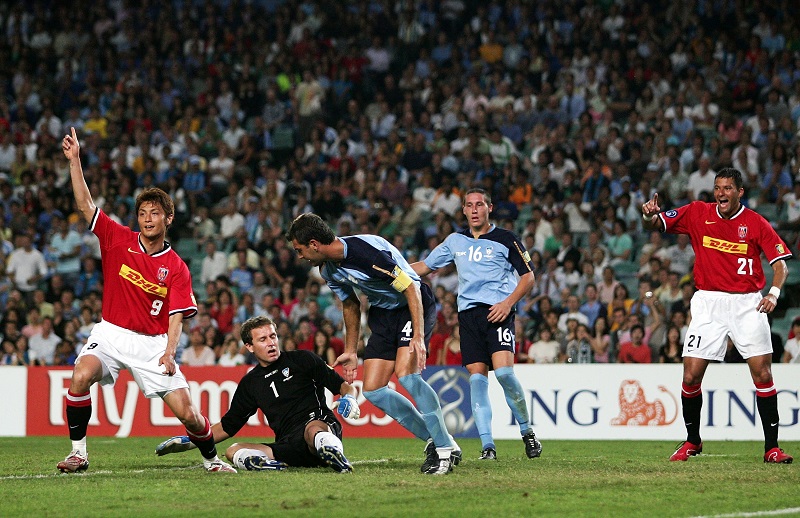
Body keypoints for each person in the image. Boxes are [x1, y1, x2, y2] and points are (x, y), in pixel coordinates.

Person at [57, 128, 235, 474]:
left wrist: (169, 352)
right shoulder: (117, 239)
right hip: (111, 333)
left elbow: (176, 316)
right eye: (142, 213)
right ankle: (78, 453)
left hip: (152, 344)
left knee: (188, 414)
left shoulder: (177, 267)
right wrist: (75, 160)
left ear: (168, 218)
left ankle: (212, 460)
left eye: (154, 213)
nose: (147, 219)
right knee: (80, 376)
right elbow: (85, 206)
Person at [286, 213, 460, 475]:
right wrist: (350, 350)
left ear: (314, 244)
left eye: (299, 250)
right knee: (374, 390)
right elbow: (350, 304)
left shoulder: (366, 254)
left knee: (407, 375)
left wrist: (418, 335)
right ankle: (438, 440)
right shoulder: (327, 269)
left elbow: (410, 287)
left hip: (412, 305)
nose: (300, 257)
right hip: (383, 313)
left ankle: (444, 450)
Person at [642, 167, 793, 463]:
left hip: (747, 304)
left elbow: (780, 265)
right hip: (709, 302)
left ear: (739, 192)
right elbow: (658, 223)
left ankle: (771, 448)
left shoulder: (756, 222)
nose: (721, 193)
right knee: (690, 375)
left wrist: (773, 294)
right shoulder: (698, 212)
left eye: (727, 188)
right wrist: (649, 215)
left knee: (763, 374)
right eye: (718, 188)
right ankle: (692, 441)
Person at [412, 188, 542, 461]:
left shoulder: (506, 239)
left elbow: (528, 277)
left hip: (498, 312)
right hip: (469, 317)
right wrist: (392, 270)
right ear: (463, 210)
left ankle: (527, 431)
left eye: (479, 204)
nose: (474, 210)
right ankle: (487, 446)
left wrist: (507, 303)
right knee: (477, 380)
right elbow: (425, 266)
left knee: (504, 375)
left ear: (489, 208)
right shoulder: (455, 241)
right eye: (469, 205)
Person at [155, 316, 359, 472]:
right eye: (263, 339)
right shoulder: (251, 383)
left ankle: (334, 454)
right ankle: (266, 464)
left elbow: (342, 386)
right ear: (249, 346)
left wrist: (349, 397)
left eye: (273, 336)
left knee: (313, 430)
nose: (271, 343)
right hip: (289, 445)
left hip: (319, 427)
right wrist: (193, 441)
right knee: (233, 450)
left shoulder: (303, 359)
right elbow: (228, 426)